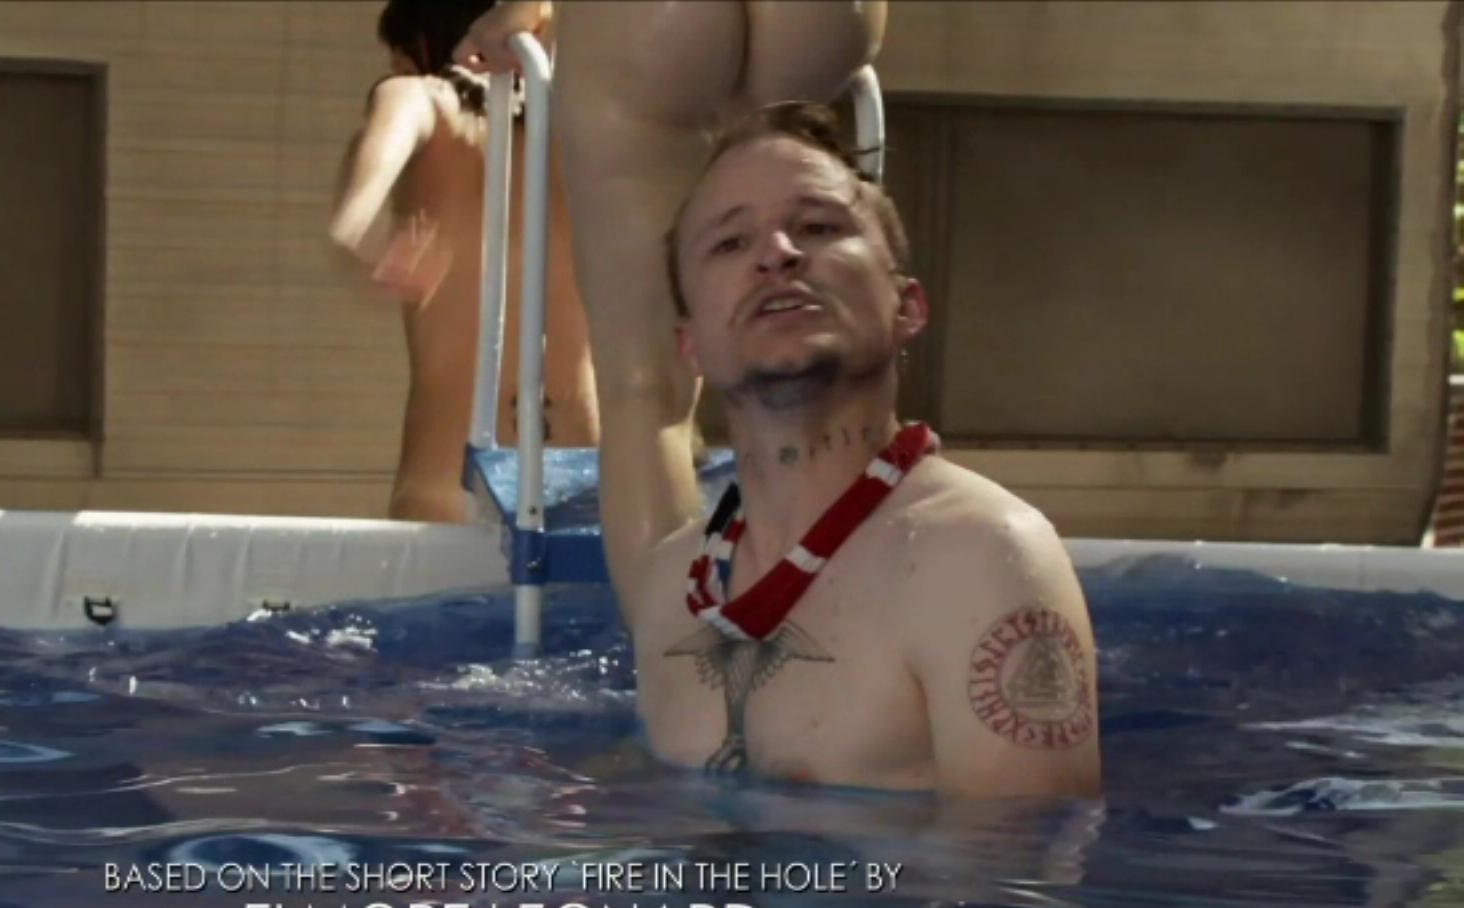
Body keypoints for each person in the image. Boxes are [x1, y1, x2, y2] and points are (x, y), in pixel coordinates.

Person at [457, 5, 1101, 797]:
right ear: (690, 343)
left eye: (820, 227)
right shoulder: (674, 586)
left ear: (908, 307)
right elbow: (636, 391)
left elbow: (1018, 871)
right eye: (731, 242)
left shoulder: (982, 559)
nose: (778, 254)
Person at [330, 0, 600, 524]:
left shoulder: (416, 96)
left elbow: (354, 218)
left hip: (449, 476)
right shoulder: (586, 127)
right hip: (583, 469)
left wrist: (371, 237)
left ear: (420, 50)